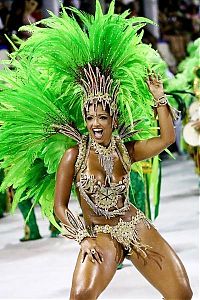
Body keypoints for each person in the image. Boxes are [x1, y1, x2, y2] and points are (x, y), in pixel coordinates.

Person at [0, 1, 192, 299]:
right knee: (81, 296)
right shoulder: (73, 155)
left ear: (114, 119)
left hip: (134, 225)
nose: (95, 124)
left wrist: (160, 99)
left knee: (181, 293)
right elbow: (61, 207)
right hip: (100, 234)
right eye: (90, 117)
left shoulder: (126, 149)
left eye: (102, 117)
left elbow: (166, 139)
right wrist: (82, 238)